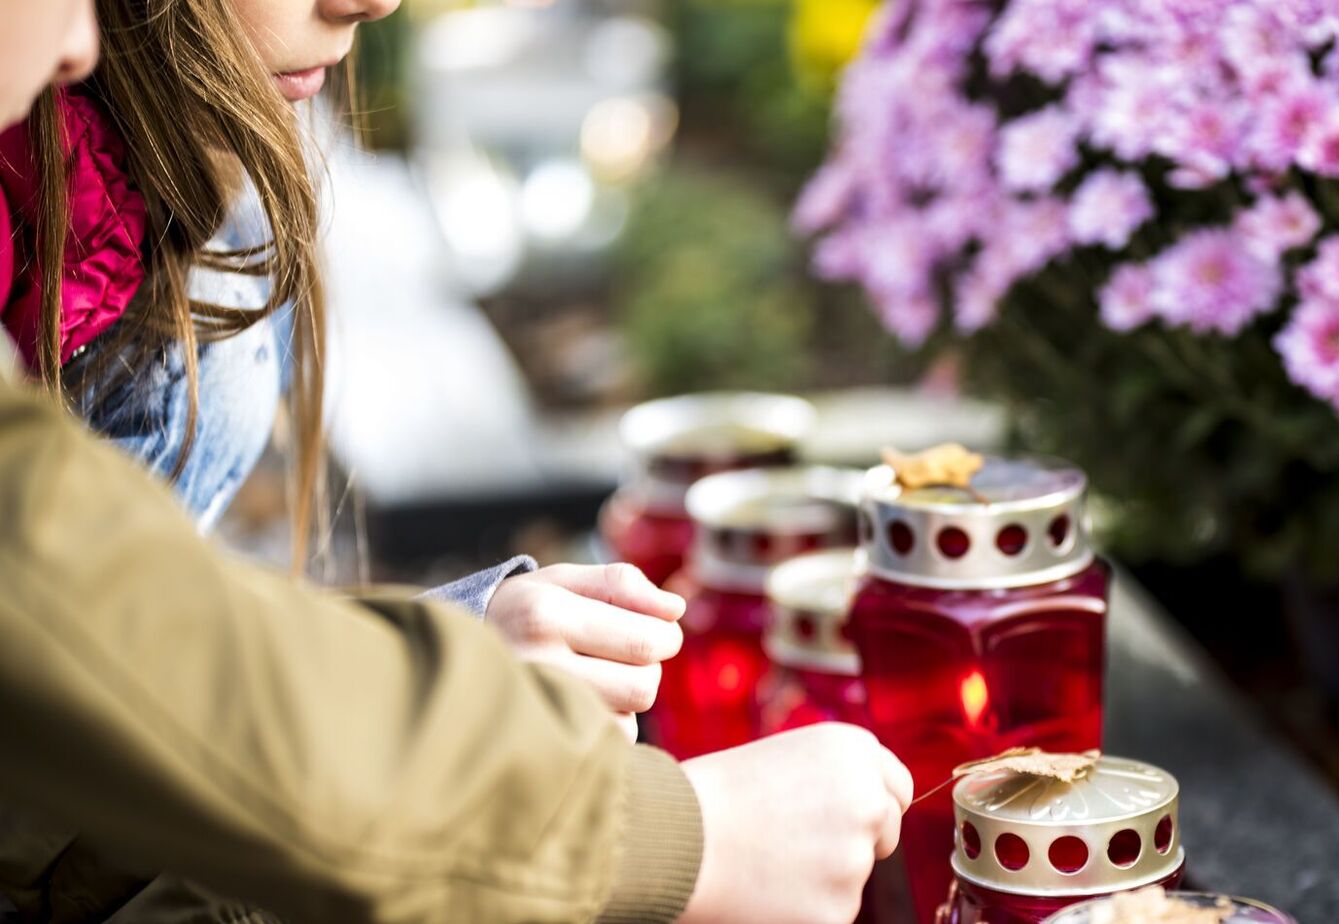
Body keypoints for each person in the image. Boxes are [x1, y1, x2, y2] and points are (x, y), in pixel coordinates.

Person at [0, 2, 913, 922]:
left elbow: (98, 715)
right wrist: (670, 843)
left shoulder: (152, 182)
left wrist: (433, 669)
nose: (374, 1)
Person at [1, 0, 674, 736]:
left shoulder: (186, 144)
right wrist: (435, 673)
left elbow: (137, 645)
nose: (374, 3)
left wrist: (448, 644)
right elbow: (75, 737)